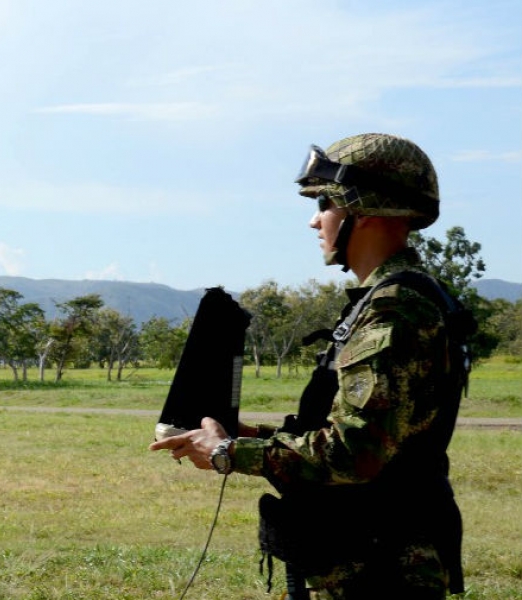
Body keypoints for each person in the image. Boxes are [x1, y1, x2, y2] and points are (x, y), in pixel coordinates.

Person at [150, 133, 470, 599]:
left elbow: (355, 452)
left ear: (364, 212)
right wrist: (248, 433)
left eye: (325, 203)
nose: (315, 220)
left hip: (381, 567)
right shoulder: (388, 301)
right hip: (364, 553)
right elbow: (364, 431)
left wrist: (227, 453)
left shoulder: (396, 311)